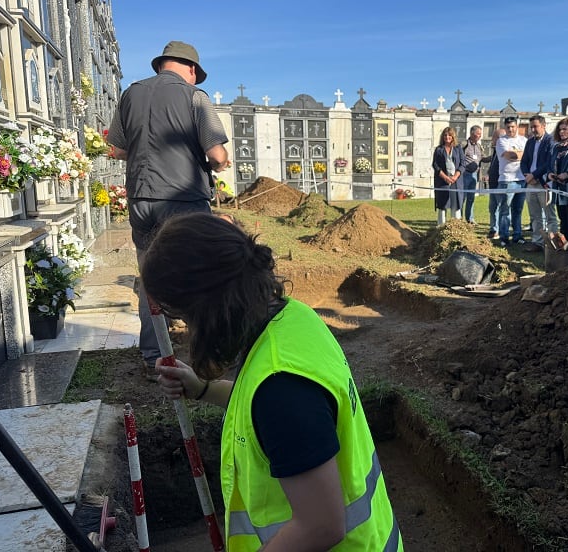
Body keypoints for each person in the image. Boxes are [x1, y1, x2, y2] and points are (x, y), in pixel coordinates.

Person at [148, 214, 402, 551]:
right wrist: (203, 388)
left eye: (182, 316)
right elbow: (258, 411)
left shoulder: (282, 389)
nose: (185, 328)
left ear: (206, 309)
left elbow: (321, 526)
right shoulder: (290, 317)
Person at [107, 41, 229, 380]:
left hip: (141, 201)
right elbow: (217, 156)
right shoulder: (195, 97)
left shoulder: (131, 94)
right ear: (191, 70)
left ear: (162, 65)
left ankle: (155, 356)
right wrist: (216, 164)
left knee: (152, 277)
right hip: (184, 201)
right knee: (202, 274)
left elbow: (116, 150)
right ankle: (208, 355)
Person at [520, 115, 558, 251]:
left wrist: (534, 175)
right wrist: (527, 175)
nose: (533, 129)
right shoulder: (529, 142)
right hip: (530, 183)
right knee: (535, 215)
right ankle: (538, 242)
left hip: (543, 183)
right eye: (531, 127)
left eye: (535, 126)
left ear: (543, 126)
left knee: (550, 215)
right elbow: (524, 161)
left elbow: (549, 162)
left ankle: (553, 243)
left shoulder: (551, 141)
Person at [495, 117, 528, 247]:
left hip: (521, 179)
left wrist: (520, 155)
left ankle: (517, 235)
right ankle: (504, 236)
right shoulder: (501, 141)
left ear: (517, 126)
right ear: (505, 127)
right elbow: (510, 156)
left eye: (513, 127)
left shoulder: (524, 140)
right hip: (507, 179)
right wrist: (521, 154)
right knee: (505, 210)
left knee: (518, 210)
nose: (510, 129)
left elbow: (526, 156)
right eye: (508, 127)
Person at [431, 126, 464, 225]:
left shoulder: (458, 148)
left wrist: (455, 177)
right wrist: (445, 177)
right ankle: (441, 227)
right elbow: (435, 165)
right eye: (445, 135)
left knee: (456, 204)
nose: (447, 137)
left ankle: (456, 227)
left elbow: (463, 164)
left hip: (456, 181)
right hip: (442, 181)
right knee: (442, 205)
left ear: (453, 136)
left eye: (449, 135)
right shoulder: (439, 149)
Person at [484, 127, 505, 239]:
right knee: (492, 208)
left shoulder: (503, 151)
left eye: (494, 137)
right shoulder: (495, 151)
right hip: (492, 183)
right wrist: (488, 174)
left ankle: (499, 230)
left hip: (499, 182)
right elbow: (492, 164)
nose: (492, 139)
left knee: (500, 208)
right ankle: (493, 229)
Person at [461, 125, 484, 223]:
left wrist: (495, 156)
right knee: (462, 197)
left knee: (471, 198)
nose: (479, 136)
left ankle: (470, 219)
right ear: (472, 133)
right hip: (465, 174)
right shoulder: (464, 144)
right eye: (478, 134)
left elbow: (482, 158)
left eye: (480, 134)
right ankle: (459, 218)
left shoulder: (479, 146)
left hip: (474, 175)